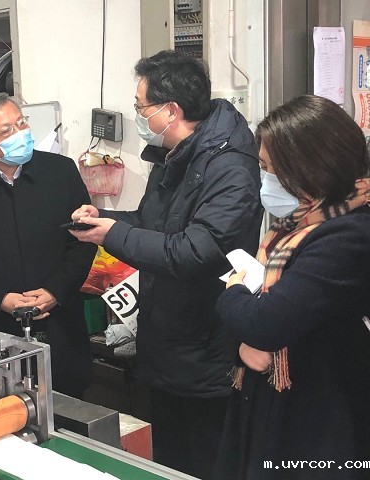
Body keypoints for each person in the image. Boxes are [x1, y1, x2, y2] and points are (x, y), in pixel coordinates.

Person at [70, 50, 263, 478]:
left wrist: (112, 235)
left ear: (170, 110)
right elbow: (152, 224)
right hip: (167, 343)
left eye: (141, 107)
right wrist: (106, 220)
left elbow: (195, 252)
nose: (139, 116)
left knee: (202, 462)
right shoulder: (174, 155)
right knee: (168, 462)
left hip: (206, 348)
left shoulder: (229, 166)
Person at [213, 95, 370, 480]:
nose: (265, 180)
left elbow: (267, 321)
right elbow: (260, 321)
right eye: (263, 167)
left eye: (271, 169)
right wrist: (243, 343)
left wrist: (233, 287)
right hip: (274, 401)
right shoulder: (293, 226)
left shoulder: (348, 235)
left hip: (322, 418)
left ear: (311, 167)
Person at [0, 93, 97, 399]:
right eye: (5, 131)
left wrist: (55, 291)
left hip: (61, 321)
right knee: (6, 404)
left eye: (21, 123)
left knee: (70, 403)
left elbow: (83, 240)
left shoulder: (61, 171)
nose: (19, 134)